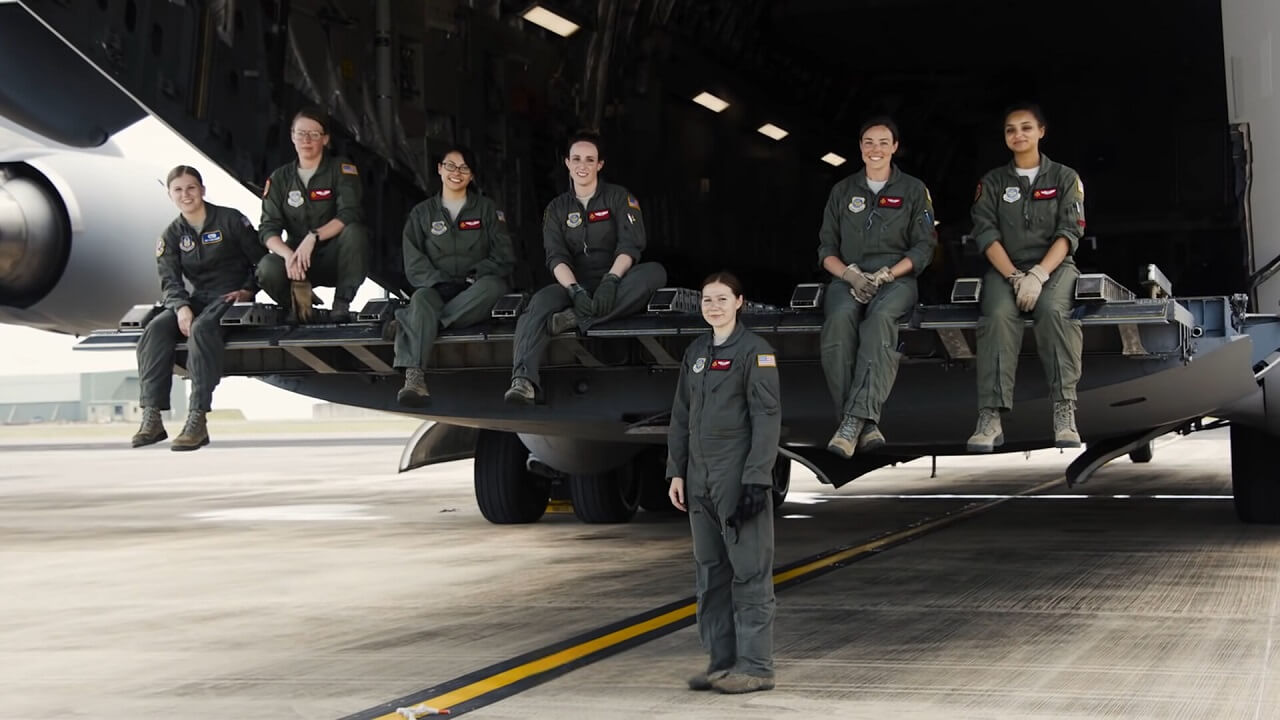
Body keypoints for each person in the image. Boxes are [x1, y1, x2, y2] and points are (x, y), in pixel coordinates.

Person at [667, 271, 782, 694]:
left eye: (721, 299)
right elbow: (681, 415)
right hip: (699, 481)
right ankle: (721, 663)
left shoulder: (756, 353)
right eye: (706, 300)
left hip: (736, 478)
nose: (712, 306)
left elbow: (767, 419)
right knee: (710, 574)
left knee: (750, 573)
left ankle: (756, 667)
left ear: (739, 302)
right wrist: (675, 471)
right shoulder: (696, 353)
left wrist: (756, 480)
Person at [503, 130, 667, 404]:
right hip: (573, 283)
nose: (582, 165)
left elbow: (630, 246)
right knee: (540, 302)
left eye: (590, 160)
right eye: (576, 159)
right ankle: (523, 380)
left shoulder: (619, 197)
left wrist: (612, 280)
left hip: (617, 279)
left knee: (655, 273)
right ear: (567, 162)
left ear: (600, 165)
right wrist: (575, 290)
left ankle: (576, 319)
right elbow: (556, 257)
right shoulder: (556, 209)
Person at [967, 103, 1087, 452]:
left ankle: (1065, 408)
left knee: (1053, 313)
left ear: (1041, 132)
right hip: (1006, 269)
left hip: (1054, 267)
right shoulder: (992, 182)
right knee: (998, 317)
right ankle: (990, 416)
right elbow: (986, 234)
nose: (1018, 134)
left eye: (1026, 127)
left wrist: (1038, 274)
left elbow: (1070, 231)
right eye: (1010, 129)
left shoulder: (1065, 178)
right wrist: (1016, 277)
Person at [816, 117, 937, 458]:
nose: (876, 149)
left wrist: (887, 274)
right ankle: (862, 422)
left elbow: (924, 247)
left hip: (896, 279)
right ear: (860, 147)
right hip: (848, 276)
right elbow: (826, 249)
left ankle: (851, 421)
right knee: (838, 323)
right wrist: (850, 275)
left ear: (895, 147)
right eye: (869, 142)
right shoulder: (842, 191)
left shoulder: (914, 190)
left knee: (880, 320)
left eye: (884, 142)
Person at [132, 166, 265, 451]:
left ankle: (197, 417)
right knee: (155, 328)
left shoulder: (230, 220)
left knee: (203, 330)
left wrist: (249, 290)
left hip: (231, 296)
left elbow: (263, 262)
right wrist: (180, 308)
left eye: (191, 188)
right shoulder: (171, 235)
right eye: (178, 190)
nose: (186, 194)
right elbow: (169, 280)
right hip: (198, 298)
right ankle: (152, 417)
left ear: (202, 190)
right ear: (170, 195)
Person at [394, 146, 516, 406]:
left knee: (494, 287)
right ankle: (415, 377)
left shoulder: (487, 209)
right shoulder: (422, 213)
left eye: (464, 168)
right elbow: (413, 260)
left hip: (475, 290)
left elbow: (504, 256)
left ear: (472, 175)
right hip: (437, 288)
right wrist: (437, 281)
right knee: (421, 300)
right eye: (450, 166)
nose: (456, 173)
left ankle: (417, 324)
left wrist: (477, 274)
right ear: (439, 169)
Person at [256, 107, 369, 322]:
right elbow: (268, 229)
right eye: (300, 133)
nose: (306, 140)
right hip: (298, 261)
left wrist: (314, 236)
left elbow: (350, 213)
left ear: (325, 139)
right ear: (292, 136)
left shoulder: (341, 169)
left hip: (335, 256)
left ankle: (341, 305)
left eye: (314, 134)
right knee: (267, 267)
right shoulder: (280, 178)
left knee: (355, 233)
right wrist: (288, 255)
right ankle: (301, 306)